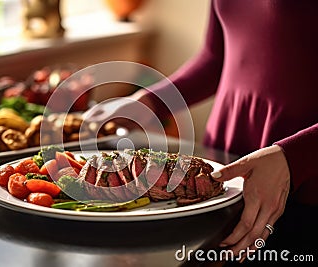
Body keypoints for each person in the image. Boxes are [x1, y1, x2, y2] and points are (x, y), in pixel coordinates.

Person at [83, 0, 318, 264]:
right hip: (223, 172)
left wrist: (294, 156)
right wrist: (149, 103)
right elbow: (217, 58)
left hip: (305, 184)